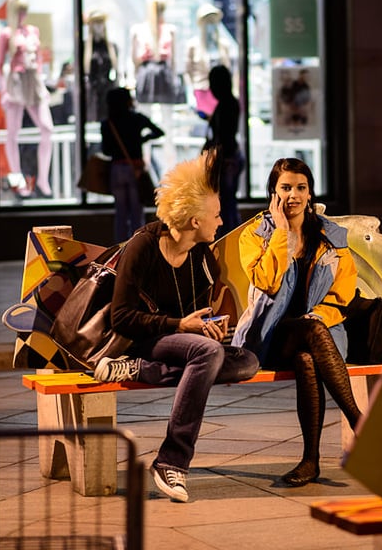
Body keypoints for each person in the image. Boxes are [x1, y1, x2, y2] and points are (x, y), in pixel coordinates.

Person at [93, 151, 260, 503]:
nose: (221, 221)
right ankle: (172, 461)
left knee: (247, 361)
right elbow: (120, 317)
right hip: (144, 339)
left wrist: (208, 326)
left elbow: (199, 316)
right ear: (194, 220)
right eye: (215, 215)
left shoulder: (202, 258)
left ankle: (144, 372)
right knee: (208, 354)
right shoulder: (143, 247)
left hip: (184, 345)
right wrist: (180, 325)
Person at [232, 158, 361, 487]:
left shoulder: (331, 237)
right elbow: (268, 282)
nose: (293, 195)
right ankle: (360, 422)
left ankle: (311, 461)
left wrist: (318, 317)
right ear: (273, 194)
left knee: (307, 357)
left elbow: (342, 295)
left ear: (310, 191)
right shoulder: (255, 236)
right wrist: (281, 233)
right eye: (285, 188)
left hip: (324, 333)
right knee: (309, 334)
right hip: (272, 335)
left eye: (300, 188)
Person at [0, 0, 55, 198]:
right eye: (19, 11)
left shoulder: (32, 31)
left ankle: (43, 180)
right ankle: (17, 179)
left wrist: (42, 84)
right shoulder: (5, 34)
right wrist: (3, 88)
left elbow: (38, 59)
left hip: (33, 80)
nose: (22, 15)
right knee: (13, 132)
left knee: (47, 128)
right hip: (15, 82)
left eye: (24, 11)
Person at [100, 87, 165, 242]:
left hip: (116, 169)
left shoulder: (108, 123)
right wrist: (142, 139)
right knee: (137, 212)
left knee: (120, 213)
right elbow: (159, 131)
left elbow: (106, 150)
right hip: (135, 168)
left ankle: (120, 248)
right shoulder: (137, 119)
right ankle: (137, 245)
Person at [203, 65, 243, 237]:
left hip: (226, 160)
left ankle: (229, 239)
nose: (210, 88)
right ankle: (231, 238)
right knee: (227, 203)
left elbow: (224, 135)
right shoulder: (229, 103)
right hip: (230, 158)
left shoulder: (226, 105)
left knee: (225, 205)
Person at [185, 4, 232, 119]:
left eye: (213, 20)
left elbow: (229, 69)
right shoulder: (193, 45)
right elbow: (188, 71)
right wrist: (190, 93)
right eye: (207, 21)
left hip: (221, 91)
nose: (210, 24)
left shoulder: (223, 45)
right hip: (201, 89)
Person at [83, 10, 118, 122]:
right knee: (92, 117)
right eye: (96, 22)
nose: (99, 25)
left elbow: (116, 69)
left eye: (101, 22)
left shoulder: (111, 47)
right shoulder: (84, 47)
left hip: (107, 88)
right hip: (91, 89)